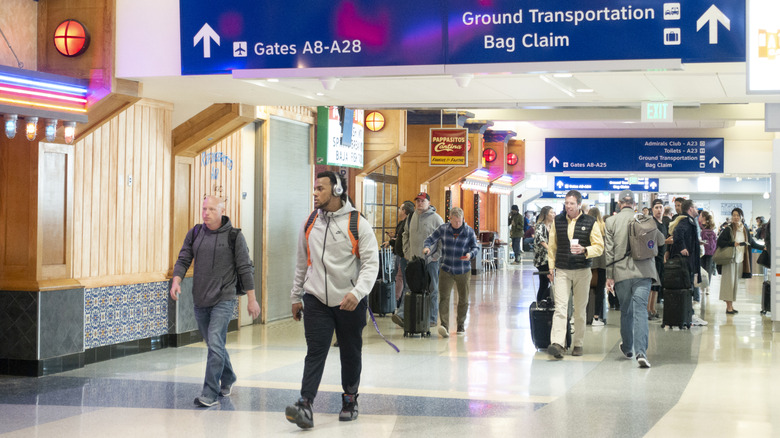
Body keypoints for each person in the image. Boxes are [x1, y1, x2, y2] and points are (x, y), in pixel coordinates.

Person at [285, 171, 379, 429]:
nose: (314, 193)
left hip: (349, 300)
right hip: (315, 299)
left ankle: (350, 399)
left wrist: (357, 293)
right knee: (315, 351)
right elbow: (302, 263)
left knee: (350, 351)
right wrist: (296, 296)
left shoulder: (357, 223)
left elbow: (372, 265)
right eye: (314, 188)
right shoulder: (310, 222)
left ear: (336, 191)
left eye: (320, 188)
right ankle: (305, 404)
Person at [170, 195, 260, 407]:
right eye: (204, 209)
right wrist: (176, 281)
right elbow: (183, 258)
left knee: (216, 342)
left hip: (224, 298)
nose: (206, 213)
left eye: (211, 209)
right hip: (200, 297)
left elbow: (244, 268)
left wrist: (252, 300)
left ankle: (209, 393)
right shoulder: (195, 233)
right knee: (213, 343)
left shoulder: (234, 236)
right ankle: (228, 377)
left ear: (221, 211)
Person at [546, 190, 604, 359]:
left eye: (571, 203)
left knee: (579, 310)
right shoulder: (558, 220)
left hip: (582, 270)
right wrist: (551, 268)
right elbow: (552, 246)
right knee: (561, 308)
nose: (568, 206)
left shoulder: (590, 221)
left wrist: (585, 249)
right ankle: (558, 343)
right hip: (562, 269)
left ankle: (578, 343)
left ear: (579, 204)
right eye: (566, 203)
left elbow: (599, 247)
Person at [605, 190, 660, 368]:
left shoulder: (611, 221)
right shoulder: (644, 219)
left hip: (621, 272)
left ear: (620, 204)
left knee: (626, 311)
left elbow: (609, 251)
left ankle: (628, 347)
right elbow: (659, 241)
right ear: (634, 205)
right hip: (644, 272)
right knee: (641, 311)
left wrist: (609, 276)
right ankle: (641, 353)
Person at [422, 207, 479, 337]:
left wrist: (470, 254)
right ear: (450, 219)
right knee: (444, 298)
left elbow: (475, 247)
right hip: (446, 268)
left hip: (463, 269)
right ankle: (444, 326)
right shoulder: (443, 229)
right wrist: (426, 247)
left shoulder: (469, 231)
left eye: (460, 221)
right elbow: (430, 239)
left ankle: (460, 325)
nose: (458, 224)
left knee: (463, 299)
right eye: (455, 221)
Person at [393, 192, 444, 328]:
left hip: (430, 262)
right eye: (418, 201)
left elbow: (442, 240)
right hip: (413, 261)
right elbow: (405, 234)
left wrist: (436, 256)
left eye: (422, 201)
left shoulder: (437, 219)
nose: (419, 203)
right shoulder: (410, 218)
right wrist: (407, 252)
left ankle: (432, 318)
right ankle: (403, 315)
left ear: (428, 203)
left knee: (432, 288)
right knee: (409, 287)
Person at [716, 208, 764, 315]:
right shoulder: (728, 229)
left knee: (734, 284)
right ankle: (728, 307)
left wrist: (764, 247)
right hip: (730, 259)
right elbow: (719, 242)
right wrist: (733, 244)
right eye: (734, 215)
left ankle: (731, 306)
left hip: (740, 259)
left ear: (742, 217)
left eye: (737, 215)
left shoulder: (744, 229)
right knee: (728, 284)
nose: (735, 217)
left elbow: (752, 243)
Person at [668, 199, 707, 326]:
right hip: (687, 262)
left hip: (690, 260)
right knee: (687, 287)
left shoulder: (690, 221)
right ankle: (689, 315)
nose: (697, 210)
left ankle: (688, 314)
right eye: (695, 207)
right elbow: (678, 233)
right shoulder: (686, 221)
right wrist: (683, 247)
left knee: (689, 287)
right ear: (690, 209)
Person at [387, 201, 415, 308]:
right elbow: (400, 238)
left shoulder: (409, 222)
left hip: (404, 256)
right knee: (399, 277)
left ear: (404, 211)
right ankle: (398, 302)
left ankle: (401, 304)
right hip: (400, 255)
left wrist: (405, 254)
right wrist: (392, 241)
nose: (398, 211)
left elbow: (406, 239)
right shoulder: (402, 223)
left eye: (400, 209)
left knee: (402, 280)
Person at [586, 207, 607, 326]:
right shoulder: (604, 227)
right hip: (602, 261)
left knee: (584, 289)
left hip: (589, 260)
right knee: (600, 290)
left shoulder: (588, 226)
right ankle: (596, 317)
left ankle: (583, 315)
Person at [648, 199, 668, 320]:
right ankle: (648, 309)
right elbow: (652, 241)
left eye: (661, 207)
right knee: (651, 284)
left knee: (657, 285)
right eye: (656, 207)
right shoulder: (652, 223)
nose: (659, 210)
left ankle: (653, 308)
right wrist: (666, 241)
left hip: (660, 257)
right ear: (652, 209)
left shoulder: (663, 223)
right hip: (653, 257)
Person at [533, 206, 554, 302]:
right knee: (544, 282)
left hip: (550, 258)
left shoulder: (552, 226)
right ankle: (540, 302)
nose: (554, 215)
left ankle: (544, 301)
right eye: (551, 213)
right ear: (546, 214)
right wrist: (549, 248)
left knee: (547, 282)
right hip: (542, 259)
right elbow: (539, 238)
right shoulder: (540, 225)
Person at [699, 210, 717, 294]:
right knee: (708, 269)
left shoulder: (700, 227)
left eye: (700, 215)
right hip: (710, 251)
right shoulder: (711, 228)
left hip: (702, 251)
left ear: (703, 217)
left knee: (703, 269)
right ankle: (707, 287)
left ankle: (704, 287)